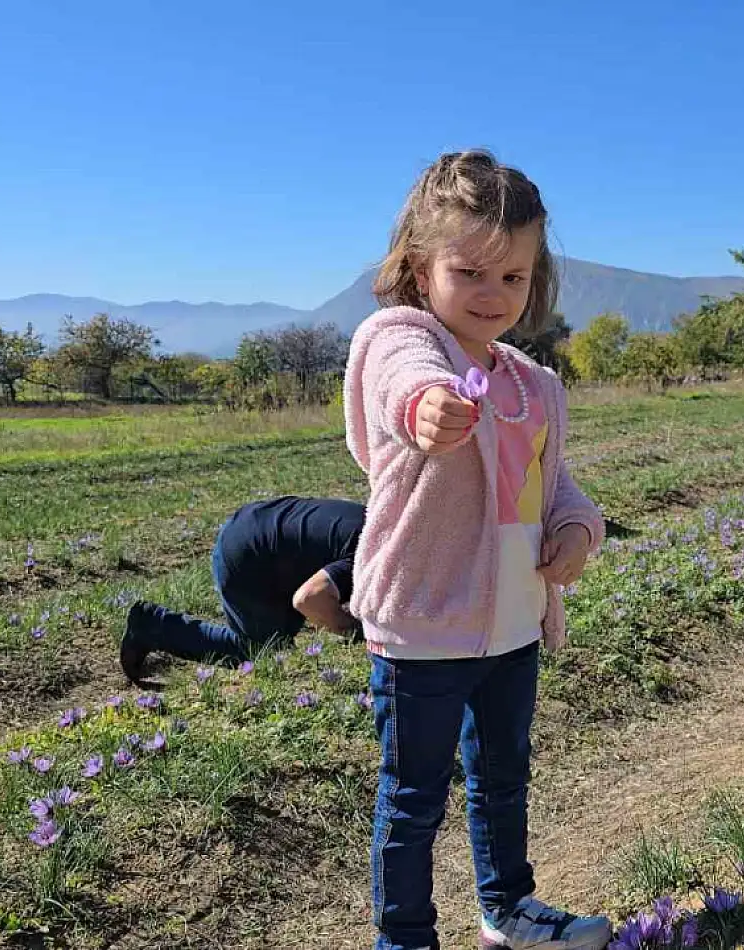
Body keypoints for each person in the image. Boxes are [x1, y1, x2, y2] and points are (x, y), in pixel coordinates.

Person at [343, 150, 611, 950]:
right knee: (413, 797)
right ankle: (406, 939)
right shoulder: (401, 339)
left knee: (502, 781)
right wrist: (425, 408)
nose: (494, 296)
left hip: (514, 623)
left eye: (515, 278)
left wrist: (575, 528)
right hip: (426, 622)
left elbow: (554, 482)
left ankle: (509, 910)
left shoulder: (534, 383)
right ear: (420, 271)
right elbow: (399, 380)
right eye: (471, 273)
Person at [120, 496, 364, 680]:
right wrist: (361, 633)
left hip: (259, 526)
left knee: (283, 636)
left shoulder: (384, 525)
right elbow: (310, 600)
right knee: (260, 650)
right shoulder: (374, 555)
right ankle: (151, 626)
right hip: (248, 556)